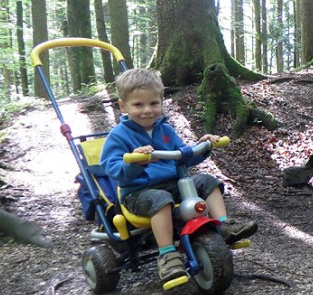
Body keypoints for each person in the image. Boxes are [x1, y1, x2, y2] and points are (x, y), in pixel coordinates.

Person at [100, 68, 258, 283]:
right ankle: (167, 254)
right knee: (160, 199)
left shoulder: (165, 130)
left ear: (161, 101)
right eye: (138, 105)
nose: (147, 110)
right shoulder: (118, 135)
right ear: (123, 106)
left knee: (206, 181)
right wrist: (134, 162)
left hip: (174, 185)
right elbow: (112, 168)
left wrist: (203, 146)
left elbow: (184, 156)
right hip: (138, 192)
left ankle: (224, 225)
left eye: (154, 103)